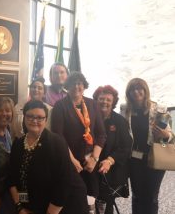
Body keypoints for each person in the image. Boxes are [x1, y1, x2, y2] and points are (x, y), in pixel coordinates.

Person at [9, 100, 89, 214]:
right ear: (24, 117)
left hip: (64, 205)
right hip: (34, 203)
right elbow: (15, 179)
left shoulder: (56, 143)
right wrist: (21, 207)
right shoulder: (18, 144)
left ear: (46, 120)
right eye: (30, 116)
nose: (34, 120)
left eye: (40, 117)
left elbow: (63, 183)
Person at [51, 71, 106, 213]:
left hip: (90, 160)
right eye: (72, 83)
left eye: (79, 83)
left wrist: (94, 158)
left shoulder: (92, 104)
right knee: (74, 200)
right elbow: (58, 137)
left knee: (91, 197)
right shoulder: (60, 106)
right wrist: (73, 160)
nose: (76, 86)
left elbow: (101, 134)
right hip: (70, 161)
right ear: (67, 86)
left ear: (84, 86)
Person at [121, 78, 173, 214]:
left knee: (151, 197)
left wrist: (165, 135)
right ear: (128, 93)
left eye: (139, 88)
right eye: (132, 89)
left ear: (145, 90)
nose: (136, 92)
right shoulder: (125, 109)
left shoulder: (158, 110)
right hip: (134, 160)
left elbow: (170, 135)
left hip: (154, 159)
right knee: (137, 195)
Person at [92, 85, 132, 214]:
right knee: (89, 202)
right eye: (101, 99)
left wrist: (110, 160)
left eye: (108, 100)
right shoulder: (89, 118)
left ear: (113, 102)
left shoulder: (120, 121)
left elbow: (126, 147)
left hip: (110, 171)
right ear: (96, 100)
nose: (104, 102)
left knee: (106, 205)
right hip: (90, 168)